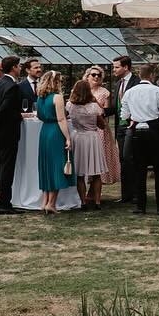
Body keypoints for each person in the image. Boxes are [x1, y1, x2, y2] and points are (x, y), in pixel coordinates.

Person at [120, 63, 159, 214]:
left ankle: (140, 206)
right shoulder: (157, 91)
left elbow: (124, 115)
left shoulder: (129, 92)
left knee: (139, 169)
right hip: (154, 131)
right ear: (152, 75)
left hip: (137, 131)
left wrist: (135, 116)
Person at [0, 56, 23, 214]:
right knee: (6, 168)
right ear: (14, 67)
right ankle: (5, 203)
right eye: (19, 66)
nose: (20, 69)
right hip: (7, 133)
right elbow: (4, 109)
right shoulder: (12, 87)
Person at [34, 71, 75, 214]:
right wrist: (68, 138)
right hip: (56, 133)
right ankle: (51, 204)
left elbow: (39, 116)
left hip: (44, 132)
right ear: (56, 82)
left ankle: (44, 202)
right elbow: (61, 119)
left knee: (46, 166)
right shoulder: (57, 97)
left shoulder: (40, 97)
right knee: (57, 167)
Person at [67, 78, 106, 210]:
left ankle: (83, 202)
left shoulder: (70, 106)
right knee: (96, 173)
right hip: (92, 138)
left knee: (80, 174)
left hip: (78, 137)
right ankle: (97, 202)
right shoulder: (93, 107)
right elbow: (102, 125)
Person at [110, 55, 135, 203]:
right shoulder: (118, 83)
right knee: (123, 160)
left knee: (132, 159)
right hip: (120, 127)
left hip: (132, 126)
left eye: (116, 67)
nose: (114, 70)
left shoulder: (136, 82)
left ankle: (136, 194)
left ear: (126, 67)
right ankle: (126, 196)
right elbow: (115, 107)